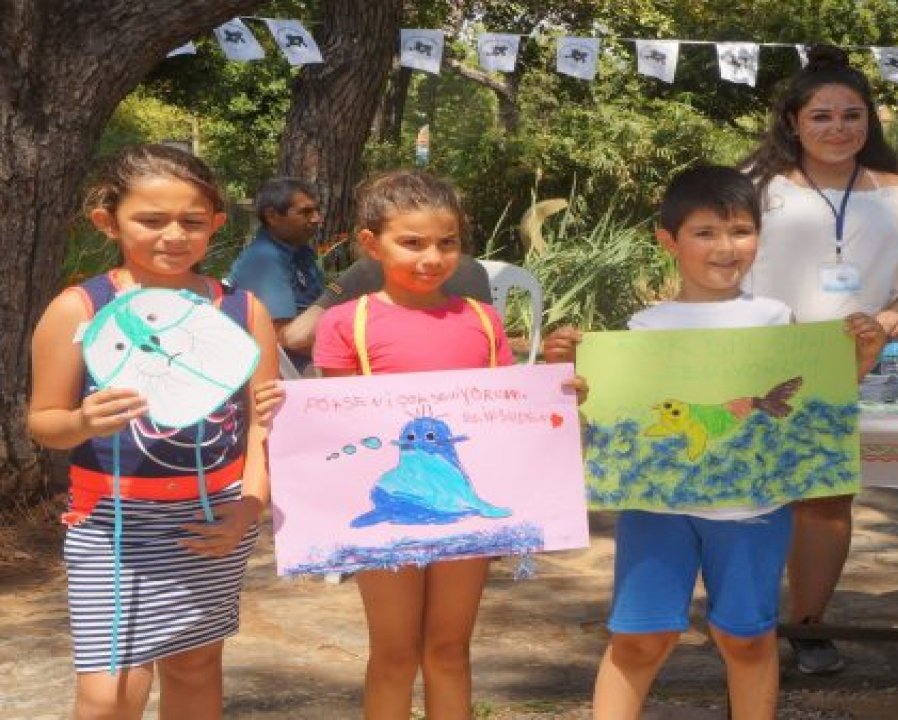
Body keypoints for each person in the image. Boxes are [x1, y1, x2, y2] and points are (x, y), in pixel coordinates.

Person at [545, 166, 887, 720]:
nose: (726, 247)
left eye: (741, 231)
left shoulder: (777, 319)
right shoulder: (641, 329)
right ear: (669, 241)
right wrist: (567, 375)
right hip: (657, 512)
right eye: (705, 232)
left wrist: (861, 357)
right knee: (638, 638)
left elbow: (815, 406)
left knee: (748, 640)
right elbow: (608, 419)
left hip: (754, 512)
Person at [26, 144, 277, 719]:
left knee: (195, 665)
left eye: (192, 222)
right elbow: (44, 423)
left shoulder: (241, 312)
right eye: (150, 219)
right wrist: (83, 421)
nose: (173, 235)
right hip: (111, 527)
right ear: (107, 221)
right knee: (108, 690)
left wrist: (251, 506)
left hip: (212, 522)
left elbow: (265, 421)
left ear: (216, 224)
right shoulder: (79, 310)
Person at [307, 170, 538, 720]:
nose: (431, 257)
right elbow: (342, 425)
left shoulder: (483, 321)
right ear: (371, 244)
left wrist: (555, 395)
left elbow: (503, 415)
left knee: (450, 651)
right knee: (393, 654)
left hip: (463, 507)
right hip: (390, 508)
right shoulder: (344, 323)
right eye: (412, 243)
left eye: (447, 243)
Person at [739, 43, 898, 675]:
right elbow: (716, 259)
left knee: (826, 500)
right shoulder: (756, 187)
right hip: (766, 355)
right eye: (821, 116)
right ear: (793, 121)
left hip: (862, 360)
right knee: (757, 493)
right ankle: (747, 621)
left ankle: (809, 624)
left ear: (869, 121)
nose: (838, 128)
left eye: (852, 115)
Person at [227, 177, 325, 367]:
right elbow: (281, 336)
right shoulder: (264, 259)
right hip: (285, 374)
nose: (316, 218)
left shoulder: (301, 253)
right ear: (272, 216)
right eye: (305, 212)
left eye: (316, 210)